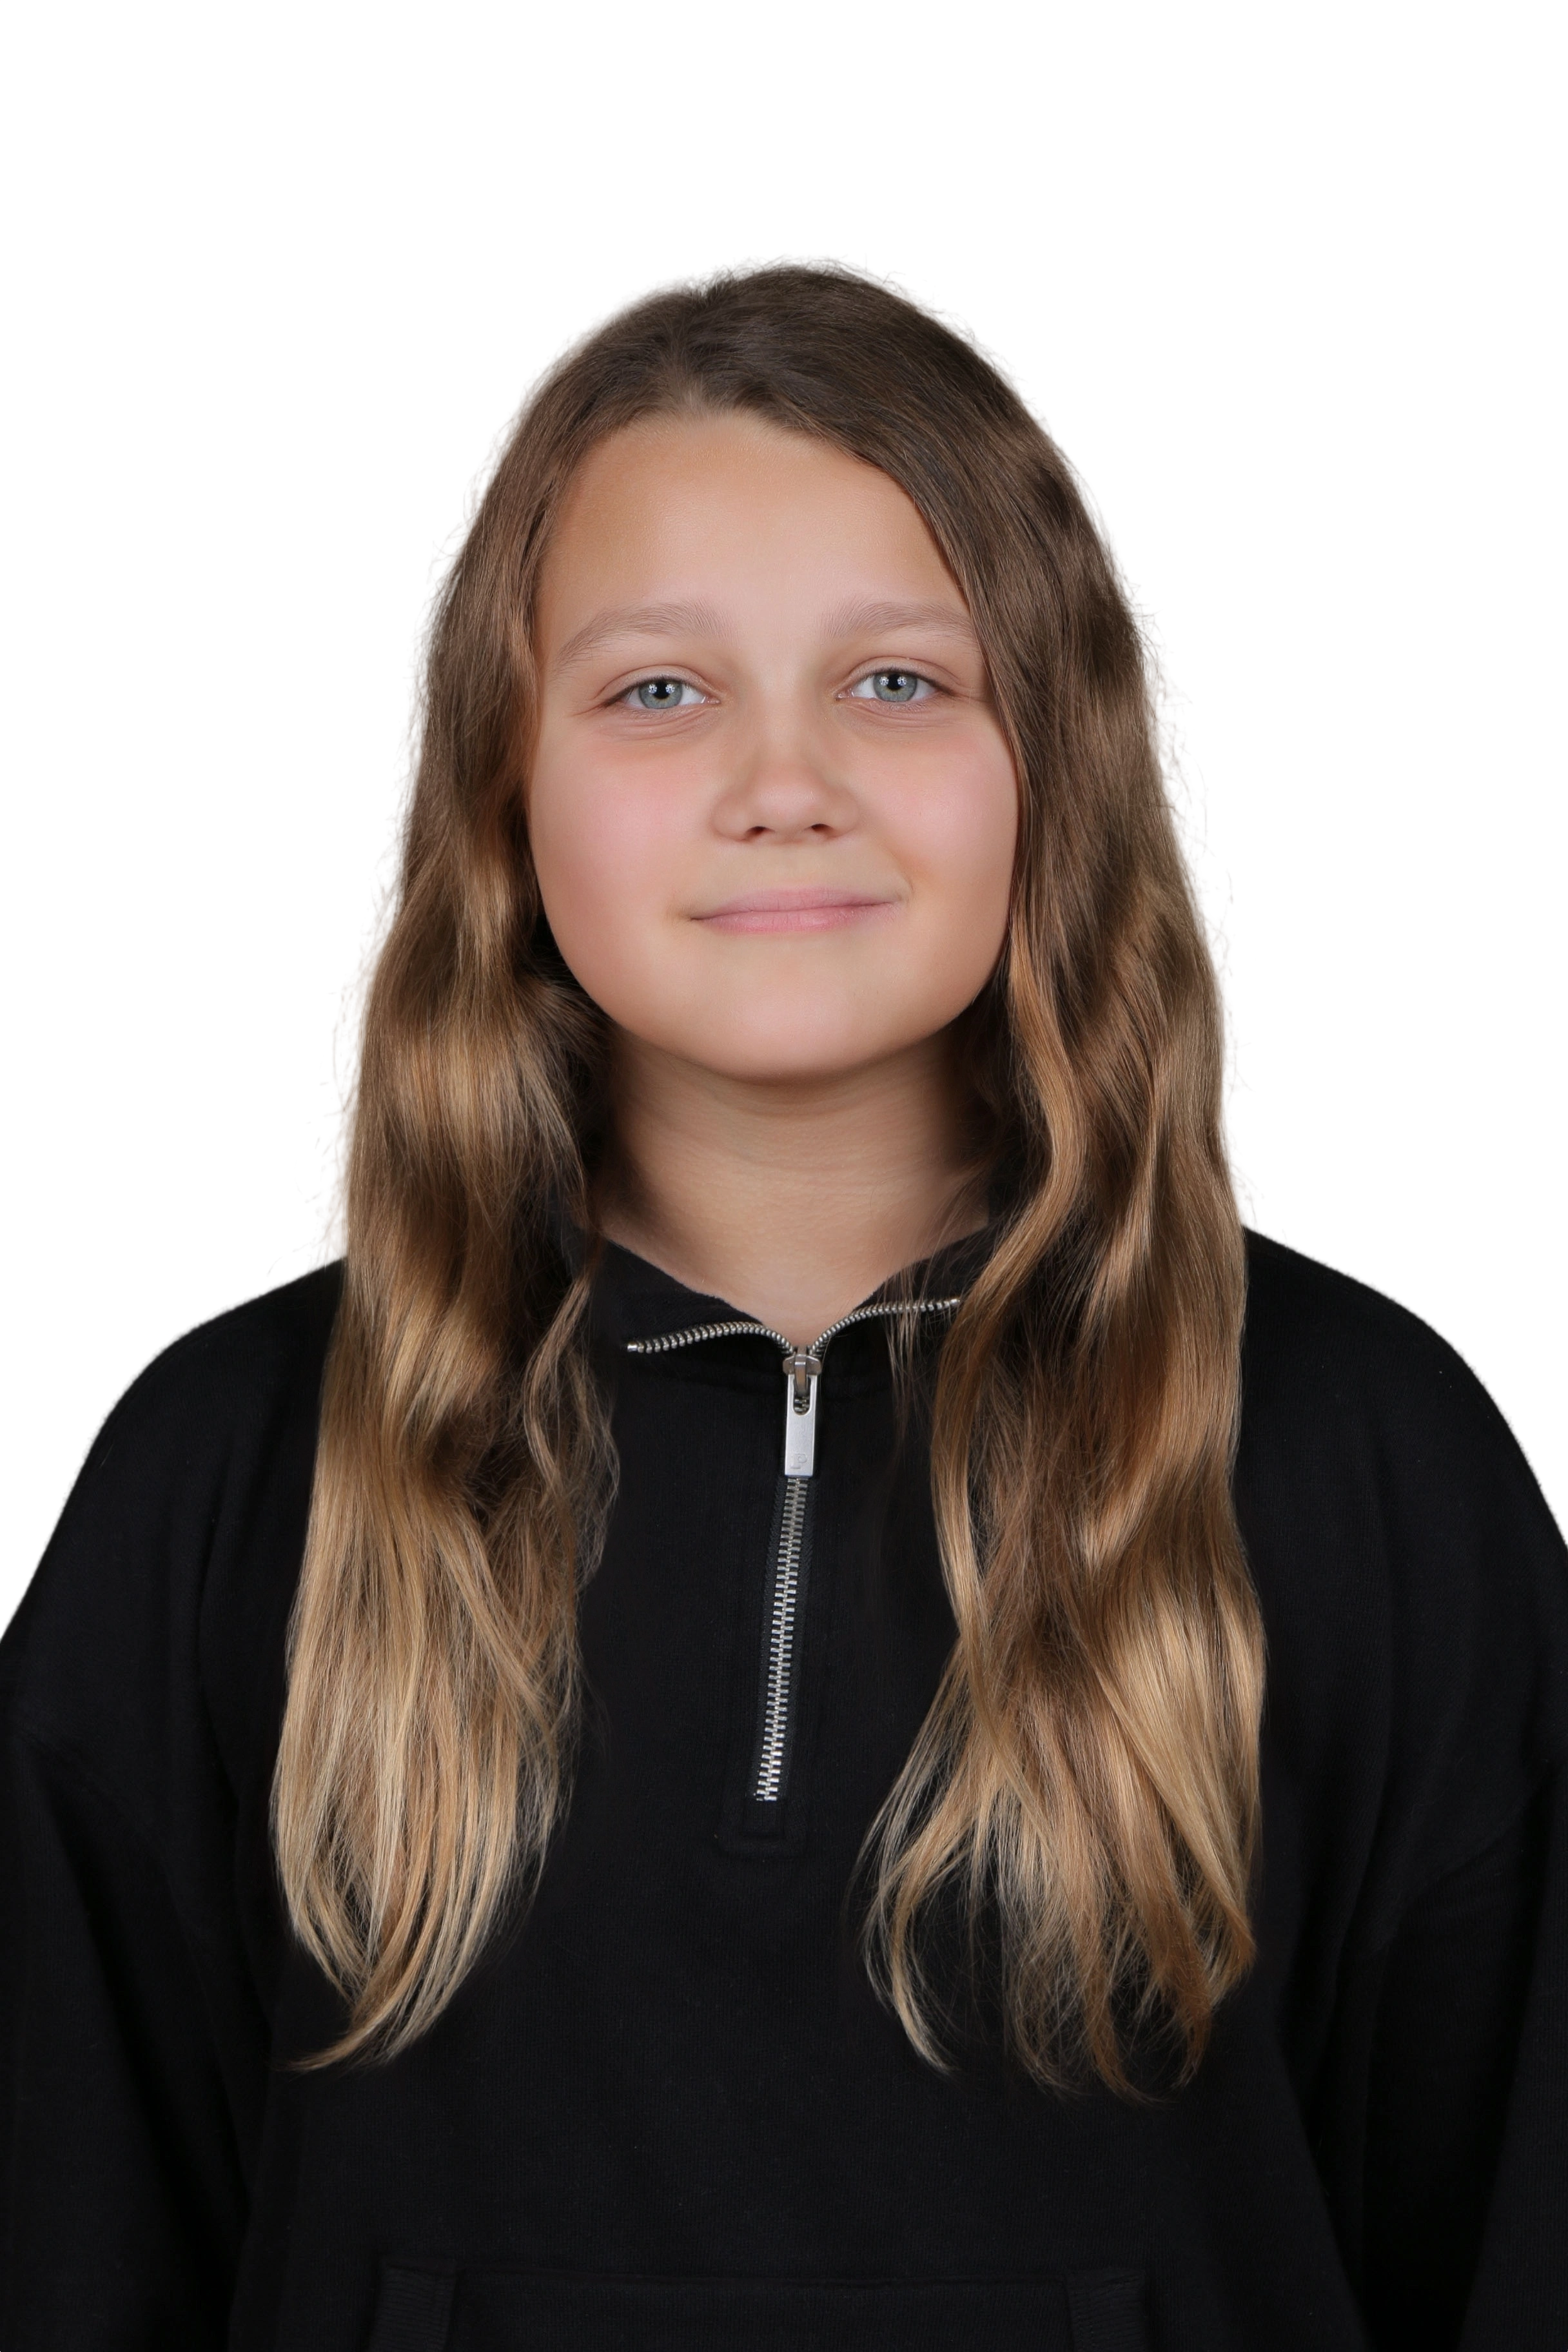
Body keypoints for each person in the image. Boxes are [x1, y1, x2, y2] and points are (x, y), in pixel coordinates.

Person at [1, 248, 1564, 2352]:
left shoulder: (1361, 1464)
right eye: (660, 690)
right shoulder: (224, 1484)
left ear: (1056, 755)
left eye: (898, 681)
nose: (783, 779)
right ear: (503, 779)